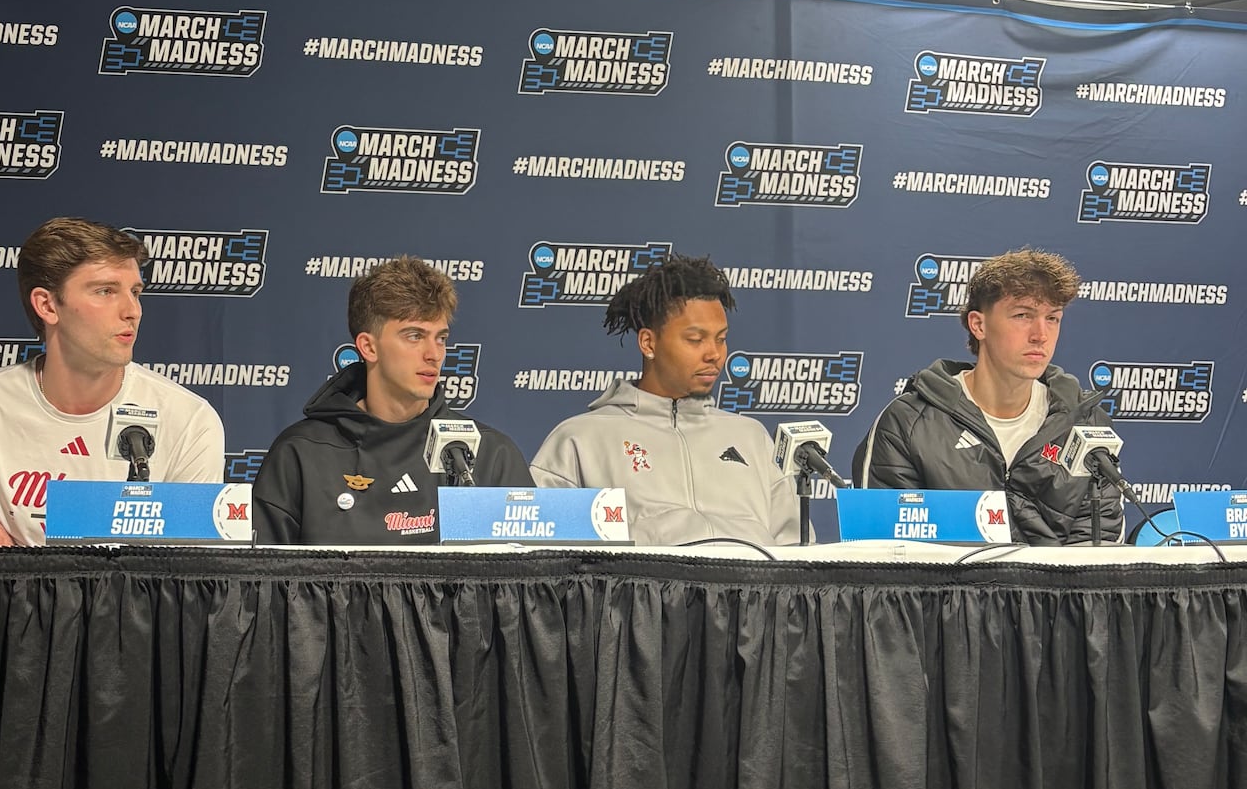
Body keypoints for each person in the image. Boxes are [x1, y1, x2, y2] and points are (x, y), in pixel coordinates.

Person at [0, 217, 224, 547]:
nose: (132, 310)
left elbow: (180, 588)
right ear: (47, 305)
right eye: (106, 291)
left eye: (135, 292)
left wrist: (11, 558)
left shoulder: (191, 421)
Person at [855, 246, 1123, 545]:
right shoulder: (908, 423)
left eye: (1053, 318)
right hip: (946, 592)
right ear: (978, 325)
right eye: (1023, 315)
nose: (1040, 335)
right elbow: (886, 552)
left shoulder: (1085, 422)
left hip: (1056, 592)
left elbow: (1096, 549)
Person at [529, 255, 801, 547]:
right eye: (696, 339)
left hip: (751, 591)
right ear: (648, 343)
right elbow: (545, 560)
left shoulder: (753, 437)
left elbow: (794, 552)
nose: (715, 354)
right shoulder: (579, 439)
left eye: (721, 339)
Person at [253, 256, 528, 544]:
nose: (434, 354)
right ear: (368, 347)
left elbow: (528, 583)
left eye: (441, 338)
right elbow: (261, 580)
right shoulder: (301, 454)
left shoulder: (491, 455)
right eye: (414, 336)